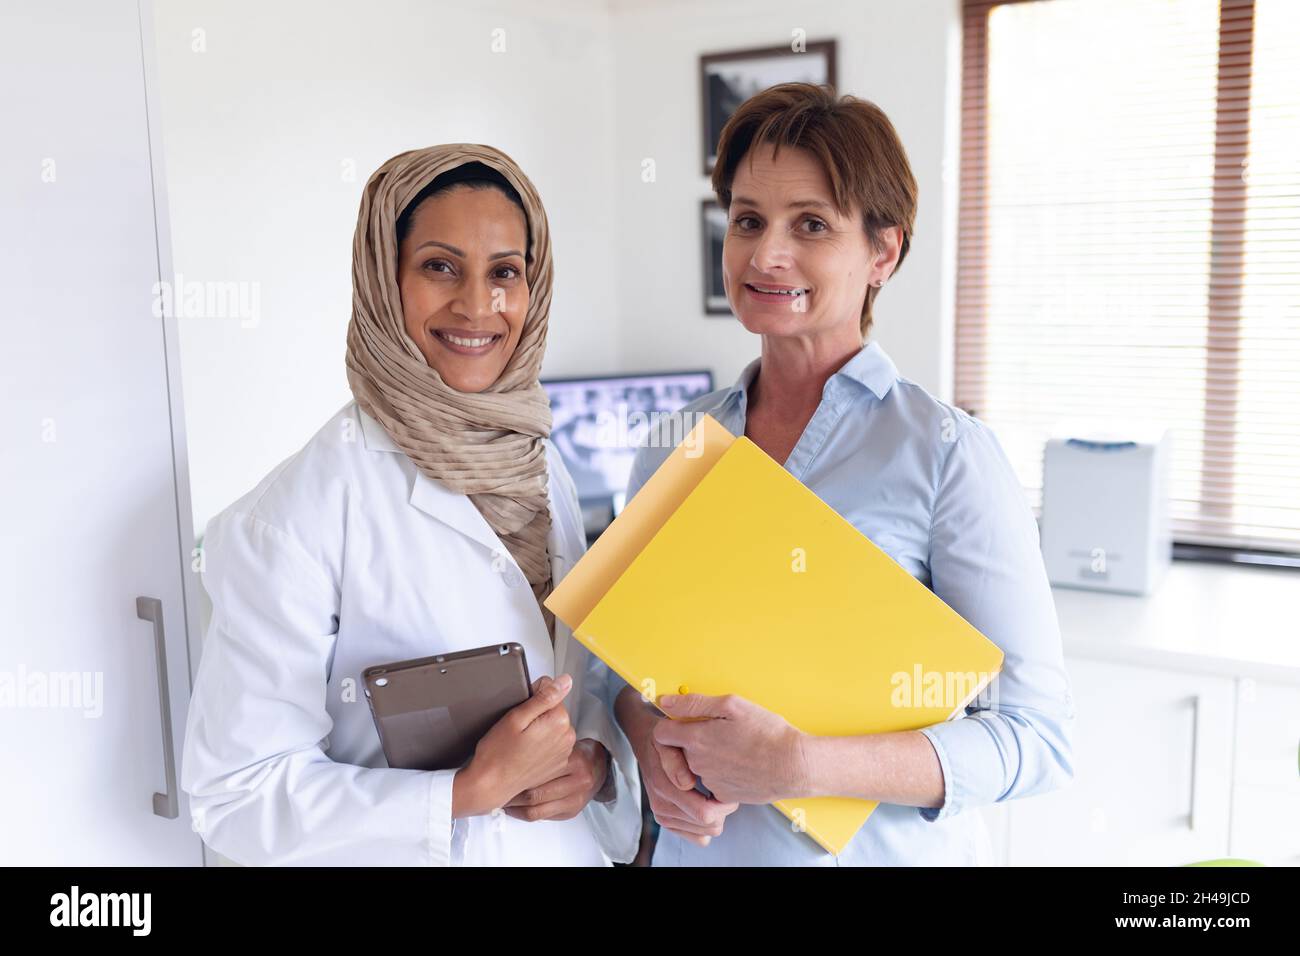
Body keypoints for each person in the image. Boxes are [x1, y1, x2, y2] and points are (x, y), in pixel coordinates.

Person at [611, 83, 1075, 866]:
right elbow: (624, 678)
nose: (765, 255)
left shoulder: (946, 454)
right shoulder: (673, 447)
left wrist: (801, 765)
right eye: (749, 220)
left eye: (811, 225)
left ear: (883, 253)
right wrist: (651, 741)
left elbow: (1034, 739)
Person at [181, 144, 641, 866]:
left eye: (505, 273)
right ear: (383, 279)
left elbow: (568, 682)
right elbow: (235, 795)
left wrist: (591, 763)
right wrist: (462, 792)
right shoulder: (299, 513)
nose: (477, 305)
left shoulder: (537, 461)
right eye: (439, 266)